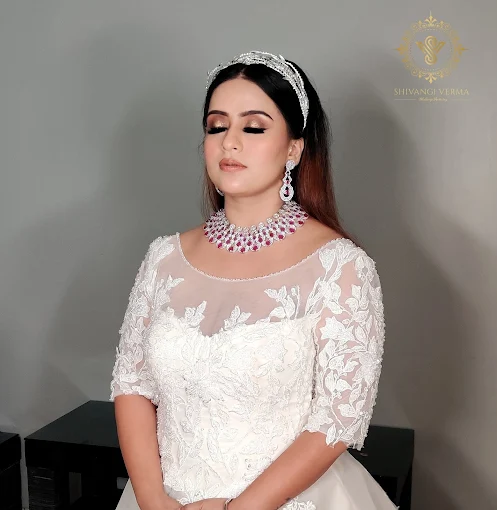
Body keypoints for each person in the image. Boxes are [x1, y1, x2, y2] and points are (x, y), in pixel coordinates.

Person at [109, 50, 397, 510]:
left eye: (254, 128)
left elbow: (338, 418)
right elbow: (132, 385)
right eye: (217, 126)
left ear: (294, 148)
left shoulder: (341, 267)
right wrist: (153, 500)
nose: (230, 142)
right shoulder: (163, 257)